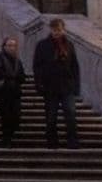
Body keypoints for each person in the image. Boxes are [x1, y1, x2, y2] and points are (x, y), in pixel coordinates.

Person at [32, 18, 81, 148]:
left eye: (59, 30)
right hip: (50, 86)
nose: (56, 32)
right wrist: (39, 83)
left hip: (67, 85)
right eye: (54, 30)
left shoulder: (69, 45)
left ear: (63, 30)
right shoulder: (42, 45)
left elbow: (74, 66)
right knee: (51, 116)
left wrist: (76, 85)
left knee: (70, 113)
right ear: (51, 30)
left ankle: (72, 141)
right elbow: (37, 66)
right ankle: (52, 142)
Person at [0, 37, 27, 145]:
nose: (11, 48)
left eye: (13, 45)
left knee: (16, 115)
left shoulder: (17, 61)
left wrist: (19, 78)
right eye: (9, 45)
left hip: (15, 92)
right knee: (6, 115)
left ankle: (9, 134)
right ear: (4, 47)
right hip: (2, 92)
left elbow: (22, 75)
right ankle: (6, 138)